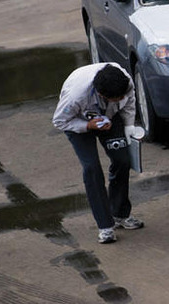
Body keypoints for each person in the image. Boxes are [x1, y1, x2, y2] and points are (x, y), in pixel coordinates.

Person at [53, 63, 144, 244]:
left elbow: (130, 101)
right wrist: (88, 125)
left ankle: (120, 213)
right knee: (92, 168)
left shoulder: (124, 81)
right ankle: (105, 226)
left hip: (109, 119)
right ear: (102, 95)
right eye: (116, 99)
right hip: (77, 122)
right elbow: (60, 121)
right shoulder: (75, 97)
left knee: (122, 160)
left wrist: (128, 126)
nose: (121, 99)